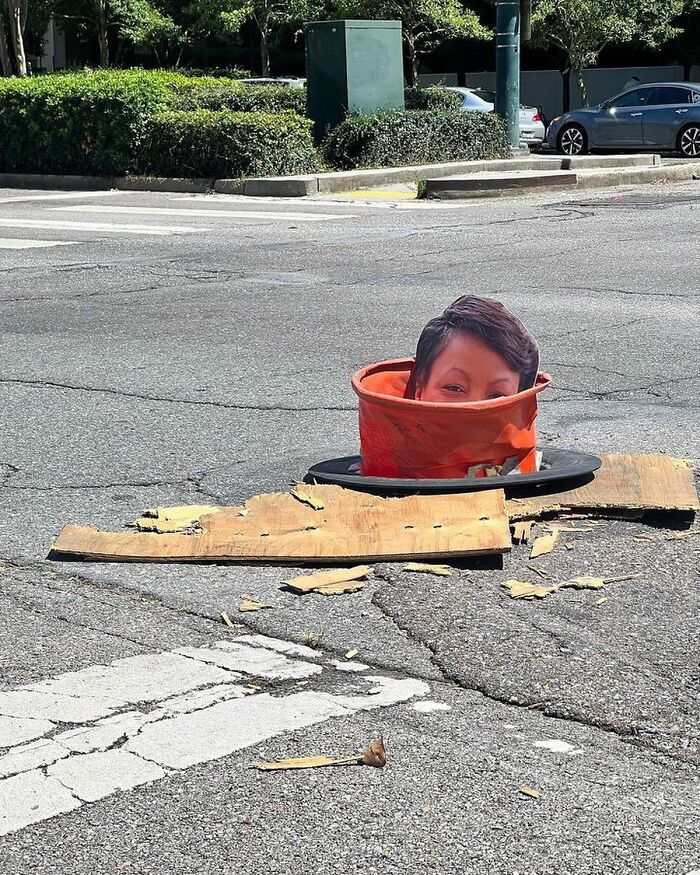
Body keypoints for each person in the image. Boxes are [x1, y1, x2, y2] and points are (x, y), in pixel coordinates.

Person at [404, 294, 539, 403]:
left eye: (497, 396)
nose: (474, 406)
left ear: (519, 407)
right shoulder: (384, 436)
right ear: (419, 389)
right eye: (454, 388)